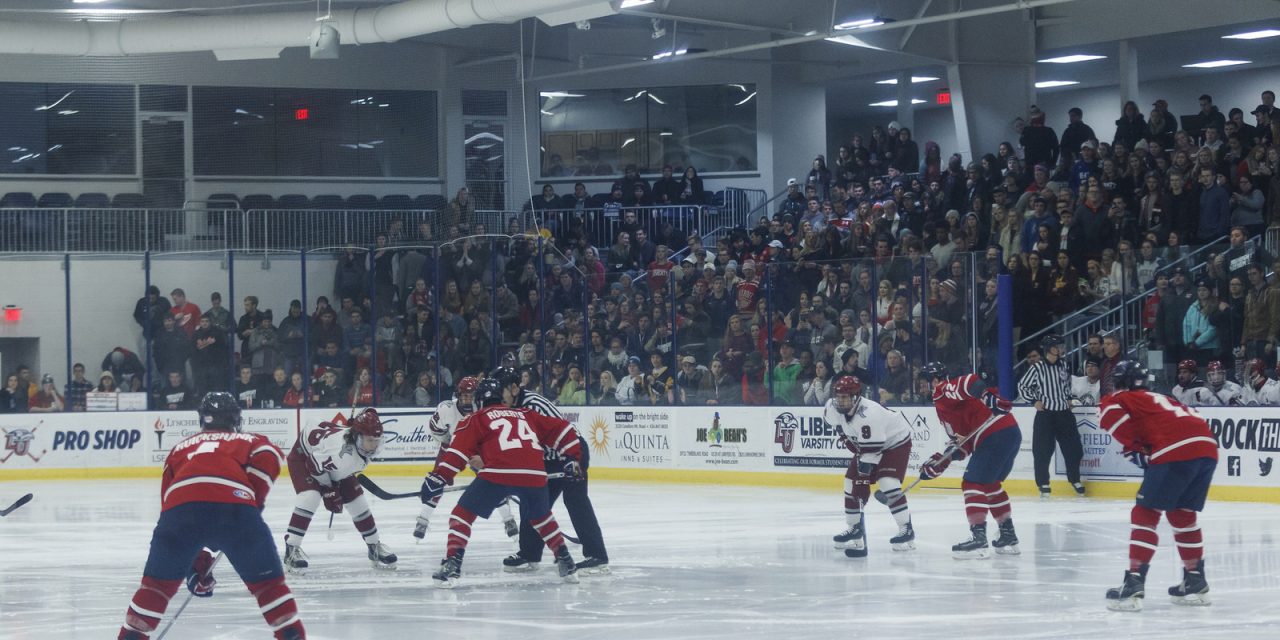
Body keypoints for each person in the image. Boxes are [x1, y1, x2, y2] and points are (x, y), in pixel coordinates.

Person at [116, 392, 305, 640]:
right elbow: (269, 457)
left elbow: (171, 505)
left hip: (178, 515)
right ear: (235, 419)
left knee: (155, 589)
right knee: (270, 589)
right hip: (236, 512)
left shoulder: (178, 449)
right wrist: (250, 503)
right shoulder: (250, 440)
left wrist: (195, 561)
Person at [418, 377, 582, 588]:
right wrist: (571, 458)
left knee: (462, 514)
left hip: (498, 473)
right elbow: (565, 429)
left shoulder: (475, 418)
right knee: (541, 517)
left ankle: (452, 564)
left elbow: (458, 452)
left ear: (479, 401)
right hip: (534, 473)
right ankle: (566, 561)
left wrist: (438, 477)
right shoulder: (525, 414)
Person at [1099, 361, 1218, 612]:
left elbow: (1112, 420)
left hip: (1174, 450)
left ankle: (1134, 582)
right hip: (1207, 448)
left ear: (1120, 381)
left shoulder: (1118, 398)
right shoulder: (1163, 397)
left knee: (1145, 513)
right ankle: (1195, 579)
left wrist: (1136, 449)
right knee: (1182, 514)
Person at [489, 366, 611, 575]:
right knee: (532, 501)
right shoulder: (506, 409)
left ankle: (597, 556)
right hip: (544, 459)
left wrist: (572, 460)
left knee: (575, 500)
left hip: (571, 451)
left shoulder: (534, 405)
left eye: (502, 391)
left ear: (515, 388)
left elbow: (566, 433)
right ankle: (529, 553)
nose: (498, 396)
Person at [919, 362, 1022, 559]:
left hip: (994, 433)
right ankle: (1008, 536)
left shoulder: (941, 391)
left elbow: (970, 381)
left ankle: (978, 539)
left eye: (923, 381)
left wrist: (987, 396)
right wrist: (943, 461)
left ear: (935, 380)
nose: (921, 386)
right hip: (1009, 432)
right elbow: (964, 443)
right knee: (990, 484)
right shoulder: (944, 406)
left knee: (972, 482)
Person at [281, 408, 397, 573]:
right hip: (304, 457)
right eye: (369, 440)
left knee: (357, 500)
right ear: (357, 438)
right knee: (311, 497)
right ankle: (291, 549)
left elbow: (369, 412)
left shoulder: (351, 449)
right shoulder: (343, 456)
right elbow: (313, 464)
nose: (374, 445)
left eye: (376, 440)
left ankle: (374, 546)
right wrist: (329, 489)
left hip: (325, 456)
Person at [416, 377, 519, 540]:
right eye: (464, 396)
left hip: (476, 449)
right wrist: (448, 443)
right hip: (453, 446)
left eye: (470, 396)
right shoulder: (446, 409)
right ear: (458, 394)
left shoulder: (483, 408)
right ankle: (423, 518)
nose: (466, 400)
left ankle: (508, 518)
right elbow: (435, 429)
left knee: (492, 480)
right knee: (438, 479)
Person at [825, 376, 916, 557]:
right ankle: (854, 529)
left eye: (845, 397)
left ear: (856, 396)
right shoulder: (832, 407)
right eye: (839, 396)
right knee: (850, 484)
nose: (840, 401)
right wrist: (844, 437)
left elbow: (871, 454)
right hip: (869, 446)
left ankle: (906, 531)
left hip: (894, 443)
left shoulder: (869, 415)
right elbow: (837, 426)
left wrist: (863, 481)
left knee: (888, 483)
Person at [1017, 334, 1085, 498]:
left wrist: (1068, 398)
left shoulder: (1064, 365)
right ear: (1050, 349)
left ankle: (1074, 479)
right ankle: (1043, 483)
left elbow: (1066, 384)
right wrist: (1034, 401)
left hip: (1064, 413)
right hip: (1046, 415)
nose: (1062, 349)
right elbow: (1022, 386)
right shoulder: (1037, 368)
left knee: (1074, 449)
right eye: (1059, 346)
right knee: (1042, 451)